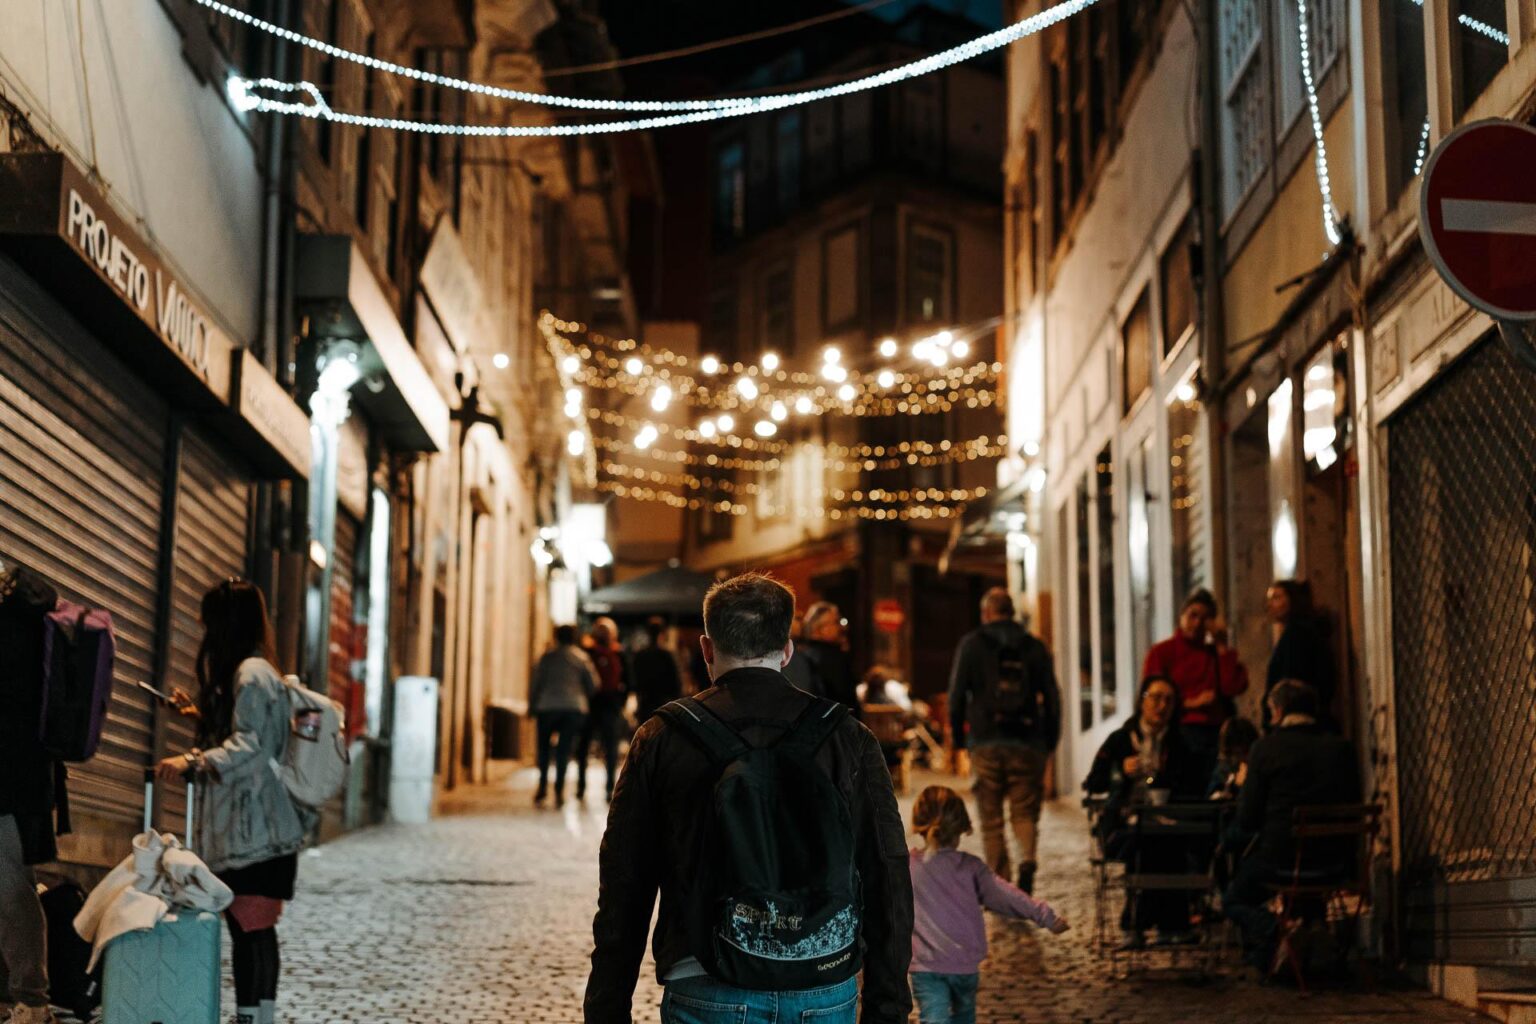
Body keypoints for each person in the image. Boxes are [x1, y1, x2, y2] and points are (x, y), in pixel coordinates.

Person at [585, 572, 912, 1024]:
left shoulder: (662, 738)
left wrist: (606, 1009)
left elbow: (625, 882)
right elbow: (887, 872)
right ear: (788, 650)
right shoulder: (847, 738)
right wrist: (887, 1007)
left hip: (705, 978)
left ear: (706, 649)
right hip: (822, 984)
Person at [156, 579, 311, 1024]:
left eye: (208, 624)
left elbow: (251, 746)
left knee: (250, 932)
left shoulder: (251, 673)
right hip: (258, 831)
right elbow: (252, 735)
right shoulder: (256, 672)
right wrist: (201, 718)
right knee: (255, 932)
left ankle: (250, 1018)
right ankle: (258, 1018)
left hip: (256, 832)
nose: (204, 633)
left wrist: (191, 759)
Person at [1224, 679, 1360, 971]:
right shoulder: (1342, 748)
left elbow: (1248, 818)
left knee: (1233, 899)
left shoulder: (1266, 748)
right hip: (1335, 865)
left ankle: (1277, 931)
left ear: (1279, 709)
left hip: (1282, 864)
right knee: (1301, 863)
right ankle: (1308, 929)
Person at [908, 785, 1068, 1024]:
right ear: (962, 826)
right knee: (964, 1017)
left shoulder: (906, 867)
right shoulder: (972, 868)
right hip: (965, 966)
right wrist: (1045, 916)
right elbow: (1008, 895)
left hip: (926, 968)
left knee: (934, 1018)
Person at [946, 587, 1061, 893]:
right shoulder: (1034, 646)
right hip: (1028, 741)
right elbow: (1051, 696)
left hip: (986, 741)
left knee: (991, 816)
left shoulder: (971, 645)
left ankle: (1003, 887)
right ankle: (1027, 857)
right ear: (1013, 612)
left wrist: (960, 740)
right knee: (1024, 811)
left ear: (986, 613)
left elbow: (956, 695)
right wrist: (1050, 740)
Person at [1083, 676, 1205, 945]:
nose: (1161, 706)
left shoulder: (1181, 743)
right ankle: (1173, 924)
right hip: (1124, 826)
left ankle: (1138, 922)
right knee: (1150, 839)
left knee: (1162, 839)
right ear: (1142, 700)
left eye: (1168, 700)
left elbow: (1195, 785)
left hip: (1169, 824)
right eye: (1155, 697)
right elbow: (1093, 783)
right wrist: (1120, 772)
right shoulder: (1119, 740)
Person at [0, 566, 61, 1024]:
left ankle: (32, 1000)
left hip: (11, 783)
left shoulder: (15, 626)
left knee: (11, 887)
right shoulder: (27, 622)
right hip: (25, 780)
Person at [1141, 588, 1249, 783]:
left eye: (1205, 619)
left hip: (1216, 732)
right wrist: (1191, 703)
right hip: (1181, 731)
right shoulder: (1162, 652)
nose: (1198, 623)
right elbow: (1150, 697)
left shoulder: (1215, 654)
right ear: (1181, 616)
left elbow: (1232, 687)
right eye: (1193, 616)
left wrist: (1223, 647)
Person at [529, 625, 599, 807]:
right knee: (563, 750)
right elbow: (593, 685)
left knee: (543, 749)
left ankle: (543, 786)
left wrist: (532, 706)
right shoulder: (582, 658)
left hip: (547, 706)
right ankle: (559, 790)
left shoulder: (547, 657)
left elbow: (536, 683)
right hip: (573, 708)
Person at [1264, 580, 1335, 726]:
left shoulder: (1297, 635)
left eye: (1276, 598)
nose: (1270, 605)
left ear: (1292, 600)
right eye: (1269, 599)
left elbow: (1292, 680)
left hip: (1295, 719)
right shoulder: (1296, 633)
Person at [577, 617, 628, 802]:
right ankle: (602, 787)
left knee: (588, 747)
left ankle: (588, 787)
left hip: (595, 705)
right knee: (608, 747)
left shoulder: (589, 652)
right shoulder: (617, 653)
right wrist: (620, 701)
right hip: (606, 704)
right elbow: (628, 680)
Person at [782, 601, 861, 713]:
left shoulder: (799, 655)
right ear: (821, 628)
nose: (840, 627)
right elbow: (845, 697)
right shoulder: (834, 658)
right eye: (835, 622)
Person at [630, 617, 683, 724]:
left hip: (645, 701)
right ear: (662, 632)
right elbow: (676, 682)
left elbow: (635, 681)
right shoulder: (667, 655)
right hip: (664, 702)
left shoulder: (640, 655)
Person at [1207, 717, 1260, 800]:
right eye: (1237, 754)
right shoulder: (1225, 767)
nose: (1242, 758)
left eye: (1245, 752)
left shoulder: (1260, 765)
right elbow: (1213, 796)